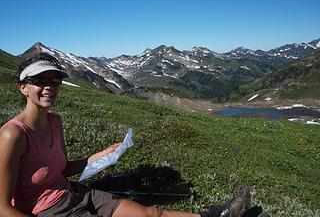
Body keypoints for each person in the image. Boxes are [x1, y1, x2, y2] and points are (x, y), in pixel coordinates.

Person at [0, 46, 252, 217]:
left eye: (54, 80)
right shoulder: (13, 135)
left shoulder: (55, 121)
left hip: (73, 194)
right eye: (40, 81)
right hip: (47, 211)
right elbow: (2, 207)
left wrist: (103, 155)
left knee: (151, 213)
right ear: (23, 87)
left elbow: (62, 169)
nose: (49, 87)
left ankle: (219, 213)